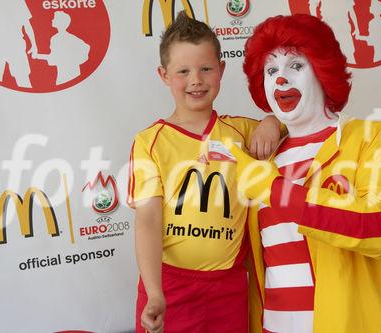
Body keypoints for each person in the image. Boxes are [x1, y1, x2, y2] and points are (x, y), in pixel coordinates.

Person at [225, 14, 381, 333]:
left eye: (296, 66)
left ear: (322, 70)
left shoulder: (377, 140)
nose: (280, 80)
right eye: (271, 70)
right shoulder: (262, 158)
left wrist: (273, 190)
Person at [127, 11, 282, 333]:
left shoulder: (240, 131)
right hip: (170, 288)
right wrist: (155, 292)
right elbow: (149, 219)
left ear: (222, 70)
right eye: (183, 71)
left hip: (228, 288)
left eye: (206, 68)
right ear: (164, 75)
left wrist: (270, 122)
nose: (196, 79)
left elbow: (294, 125)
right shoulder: (150, 142)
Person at [34, 11, 90, 85]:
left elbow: (55, 58)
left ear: (60, 22)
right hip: (69, 73)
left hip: (67, 75)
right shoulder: (66, 37)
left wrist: (38, 56)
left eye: (54, 18)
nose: (52, 20)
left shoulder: (56, 39)